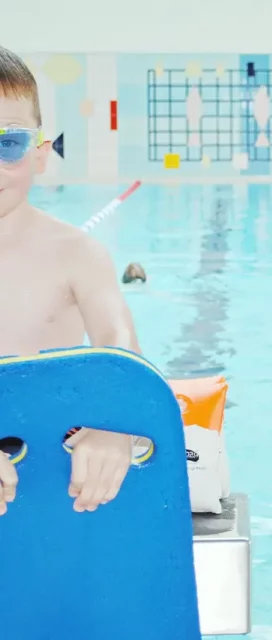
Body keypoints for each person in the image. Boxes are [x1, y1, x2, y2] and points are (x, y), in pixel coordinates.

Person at [0, 46, 141, 516]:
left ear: (40, 155)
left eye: (7, 144)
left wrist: (111, 424)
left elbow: (119, 347)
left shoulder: (75, 253)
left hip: (50, 463)